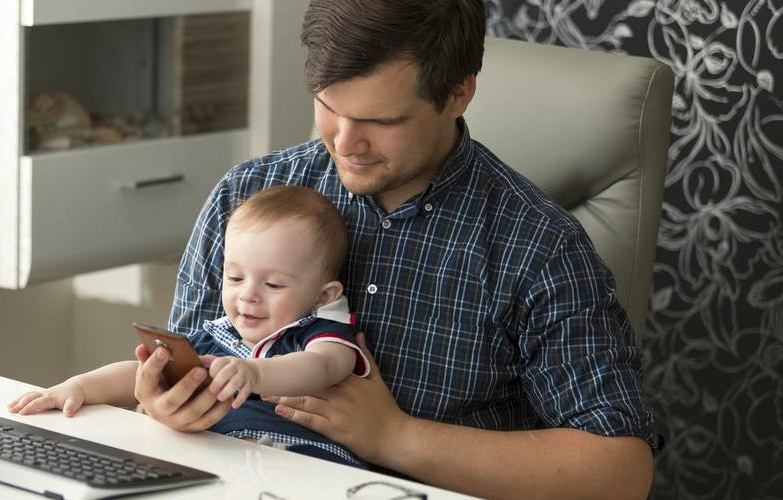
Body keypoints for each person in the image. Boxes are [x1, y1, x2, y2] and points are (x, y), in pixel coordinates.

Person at [135, 1, 662, 499]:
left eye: (381, 122)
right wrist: (168, 401)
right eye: (328, 106)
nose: (344, 142)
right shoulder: (248, 195)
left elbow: (620, 472)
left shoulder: (538, 247)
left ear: (458, 94)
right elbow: (188, 363)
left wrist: (395, 437)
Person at [8, 185, 371, 467]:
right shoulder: (217, 338)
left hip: (302, 463)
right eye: (235, 277)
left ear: (324, 295)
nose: (249, 296)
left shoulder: (320, 335)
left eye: (273, 284)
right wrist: (79, 386)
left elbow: (321, 368)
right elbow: (140, 377)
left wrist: (253, 374)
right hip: (220, 463)